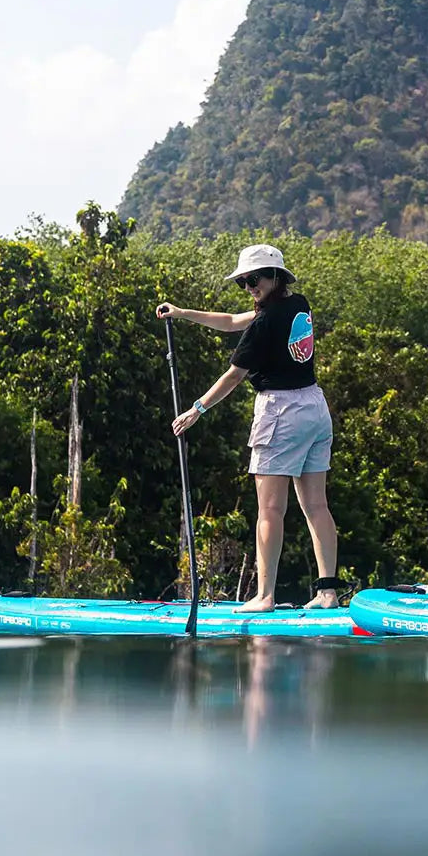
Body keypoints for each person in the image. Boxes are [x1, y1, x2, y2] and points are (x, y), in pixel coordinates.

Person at [156, 244, 339, 613]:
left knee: (270, 509)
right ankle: (328, 593)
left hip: (281, 412)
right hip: (315, 407)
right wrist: (182, 313)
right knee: (316, 504)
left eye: (254, 279)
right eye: (243, 281)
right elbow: (232, 320)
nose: (249, 286)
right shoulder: (297, 304)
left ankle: (264, 596)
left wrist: (197, 409)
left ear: (275, 276)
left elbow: (235, 375)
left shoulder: (264, 324)